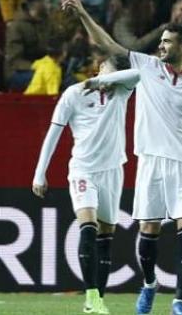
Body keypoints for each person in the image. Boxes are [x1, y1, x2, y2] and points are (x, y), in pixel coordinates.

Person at [63, 0, 182, 315]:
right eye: (162, 41)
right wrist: (83, 14)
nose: (162, 46)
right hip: (150, 161)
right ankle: (150, 282)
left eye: (168, 42)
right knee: (149, 232)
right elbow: (109, 45)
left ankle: (180, 299)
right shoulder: (146, 66)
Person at [31, 54, 140, 314]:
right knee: (88, 228)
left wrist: (106, 81)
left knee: (105, 237)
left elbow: (138, 75)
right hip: (83, 170)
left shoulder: (122, 91)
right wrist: (39, 173)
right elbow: (54, 132)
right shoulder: (73, 94)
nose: (111, 82)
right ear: (100, 67)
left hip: (113, 171)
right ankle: (90, 294)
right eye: (107, 74)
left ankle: (98, 300)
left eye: (114, 78)